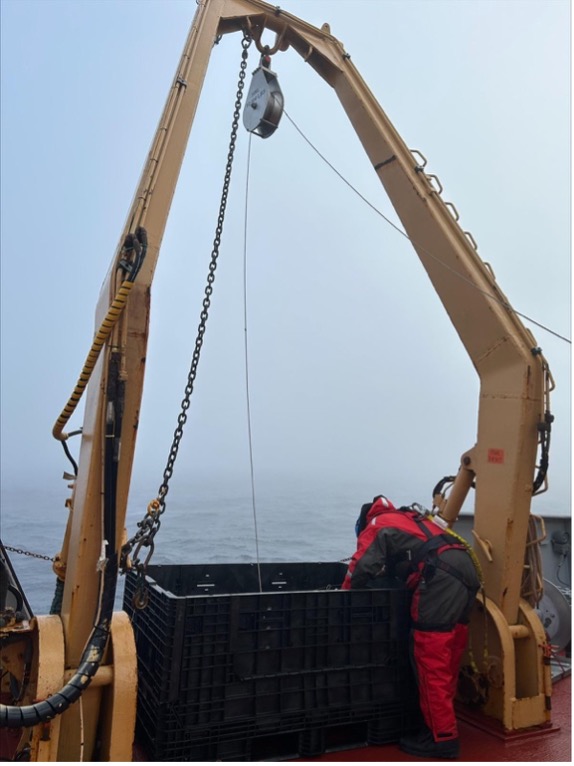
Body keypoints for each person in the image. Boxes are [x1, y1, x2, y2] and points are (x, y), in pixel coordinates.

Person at [341, 495, 481, 760]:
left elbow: (360, 566)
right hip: (465, 570)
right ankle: (442, 722)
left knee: (430, 656)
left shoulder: (376, 524)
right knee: (449, 653)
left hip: (441, 577)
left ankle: (442, 738)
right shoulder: (410, 518)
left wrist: (343, 597)